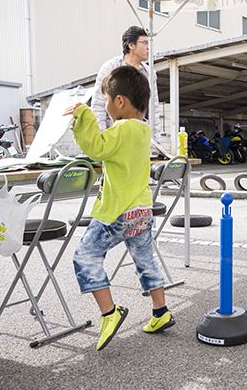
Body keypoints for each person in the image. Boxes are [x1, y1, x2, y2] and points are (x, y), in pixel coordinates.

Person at [64, 66, 174, 351]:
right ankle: (160, 312)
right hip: (141, 210)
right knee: (145, 259)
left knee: (85, 257)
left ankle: (109, 312)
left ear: (120, 101)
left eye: (106, 101)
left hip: (118, 211)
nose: (106, 108)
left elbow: (96, 147)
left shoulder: (123, 128)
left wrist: (83, 114)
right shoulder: (142, 129)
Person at [91, 26, 162, 138]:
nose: (148, 48)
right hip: (114, 135)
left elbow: (153, 107)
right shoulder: (111, 67)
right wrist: (101, 137)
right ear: (131, 45)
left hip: (139, 135)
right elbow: (98, 103)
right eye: (144, 43)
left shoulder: (149, 73)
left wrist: (155, 140)